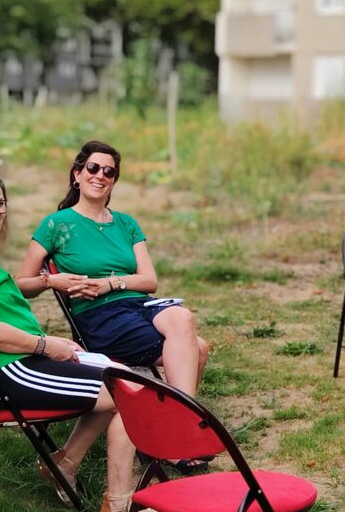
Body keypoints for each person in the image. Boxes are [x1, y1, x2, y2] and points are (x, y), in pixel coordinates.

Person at [0, 171, 169, 512]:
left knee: (116, 376)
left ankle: (65, 464)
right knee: (129, 394)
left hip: (15, 364)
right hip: (7, 374)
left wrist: (46, 300)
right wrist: (46, 345)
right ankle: (118, 506)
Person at [16, 140, 208, 401]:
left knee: (182, 317)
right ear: (77, 174)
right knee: (198, 348)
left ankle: (175, 418)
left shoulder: (126, 223)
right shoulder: (57, 224)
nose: (100, 176)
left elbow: (149, 281)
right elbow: (21, 284)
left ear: (114, 180)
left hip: (140, 305)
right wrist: (51, 281)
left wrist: (111, 283)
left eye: (109, 172)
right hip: (98, 317)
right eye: (93, 168)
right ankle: (180, 419)